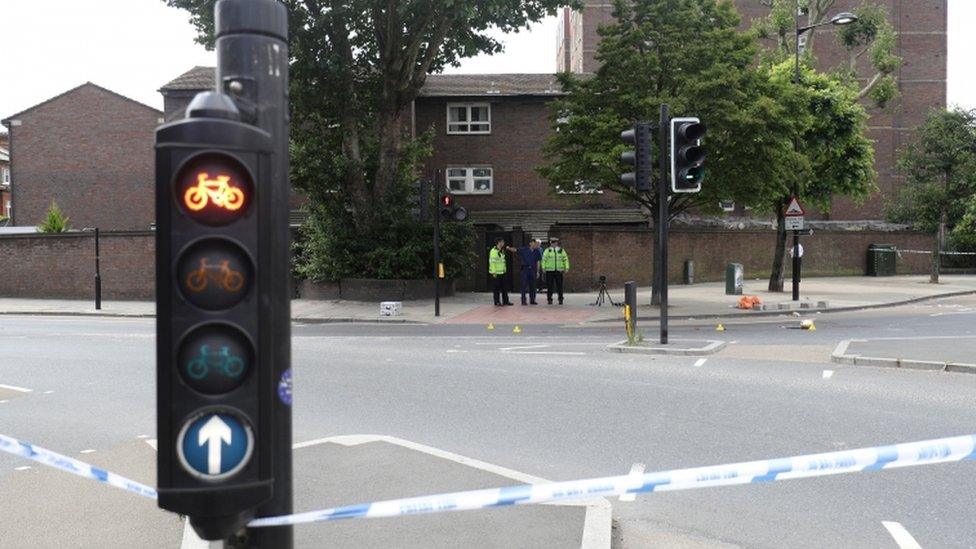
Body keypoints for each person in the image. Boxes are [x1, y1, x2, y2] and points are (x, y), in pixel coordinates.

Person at [542, 237, 570, 305]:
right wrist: (543, 268)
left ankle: (560, 299)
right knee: (549, 286)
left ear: (557, 243)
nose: (553, 244)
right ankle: (549, 299)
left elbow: (565, 259)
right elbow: (544, 259)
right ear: (551, 243)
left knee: (559, 286)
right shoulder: (547, 250)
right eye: (552, 243)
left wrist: (566, 268)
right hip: (549, 270)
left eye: (555, 243)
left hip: (559, 271)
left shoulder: (561, 250)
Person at [515, 239, 542, 305]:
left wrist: (538, 271)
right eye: (534, 243)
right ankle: (523, 300)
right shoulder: (524, 249)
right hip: (525, 269)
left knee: (533, 286)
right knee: (523, 285)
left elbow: (538, 262)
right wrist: (508, 248)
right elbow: (515, 250)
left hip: (533, 270)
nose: (535, 244)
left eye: (536, 243)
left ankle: (532, 300)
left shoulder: (537, 251)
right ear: (530, 243)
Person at [488, 238, 514, 306]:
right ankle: (497, 301)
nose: (503, 243)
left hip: (503, 272)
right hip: (496, 273)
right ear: (498, 242)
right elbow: (492, 262)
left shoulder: (502, 250)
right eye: (502, 242)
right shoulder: (493, 251)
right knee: (496, 288)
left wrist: (504, 270)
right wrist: (494, 272)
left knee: (505, 288)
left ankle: (506, 301)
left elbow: (503, 261)